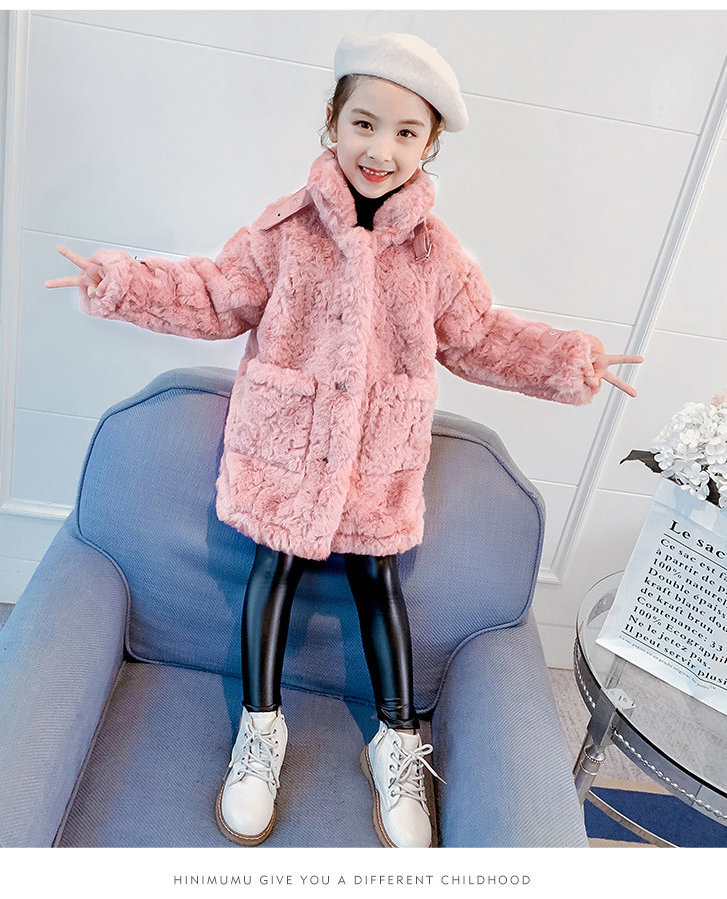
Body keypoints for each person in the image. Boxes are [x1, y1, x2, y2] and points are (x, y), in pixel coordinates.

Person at [45, 32, 643, 849]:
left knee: (378, 583)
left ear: (430, 144)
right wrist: (120, 282)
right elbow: (215, 294)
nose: (380, 149)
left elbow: (478, 336)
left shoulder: (435, 255)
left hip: (378, 465)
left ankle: (395, 740)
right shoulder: (286, 230)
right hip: (283, 457)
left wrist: (568, 360)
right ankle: (260, 730)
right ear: (332, 120)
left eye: (406, 132)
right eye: (365, 123)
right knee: (273, 569)